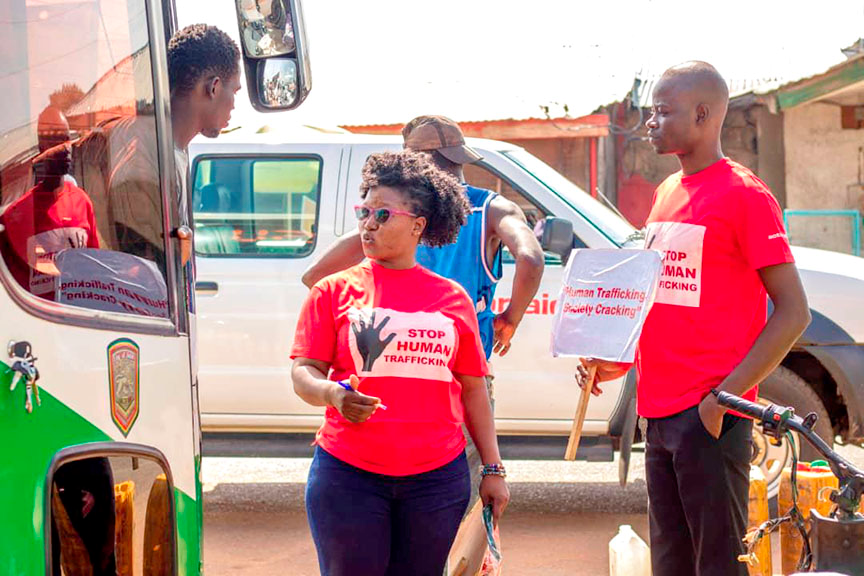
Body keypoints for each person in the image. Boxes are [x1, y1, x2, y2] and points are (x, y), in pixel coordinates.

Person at [577, 61, 811, 576]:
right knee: (672, 562)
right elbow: (664, 299)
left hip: (709, 414)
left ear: (703, 114)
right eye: (651, 112)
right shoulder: (666, 194)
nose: (650, 123)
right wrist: (620, 363)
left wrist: (723, 398)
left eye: (663, 111)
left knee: (718, 563)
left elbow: (794, 312)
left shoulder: (745, 196)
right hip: (658, 412)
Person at [301, 115, 544, 518]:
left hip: (381, 384)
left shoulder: (388, 219)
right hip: (459, 383)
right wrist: (509, 318)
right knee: (452, 514)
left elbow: (315, 277)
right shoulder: (490, 208)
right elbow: (531, 258)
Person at [292, 150, 509, 576]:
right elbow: (303, 373)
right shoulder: (332, 291)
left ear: (417, 225)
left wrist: (493, 468)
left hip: (436, 482)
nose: (369, 224)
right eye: (364, 211)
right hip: (348, 476)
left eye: (383, 214)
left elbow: (472, 388)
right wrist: (332, 394)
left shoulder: (452, 298)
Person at [0, 115, 99, 300]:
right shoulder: (17, 215)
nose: (65, 147)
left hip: (79, 316)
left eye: (67, 138)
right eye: (56, 139)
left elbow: (95, 267)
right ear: (41, 149)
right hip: (41, 321)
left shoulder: (82, 202)